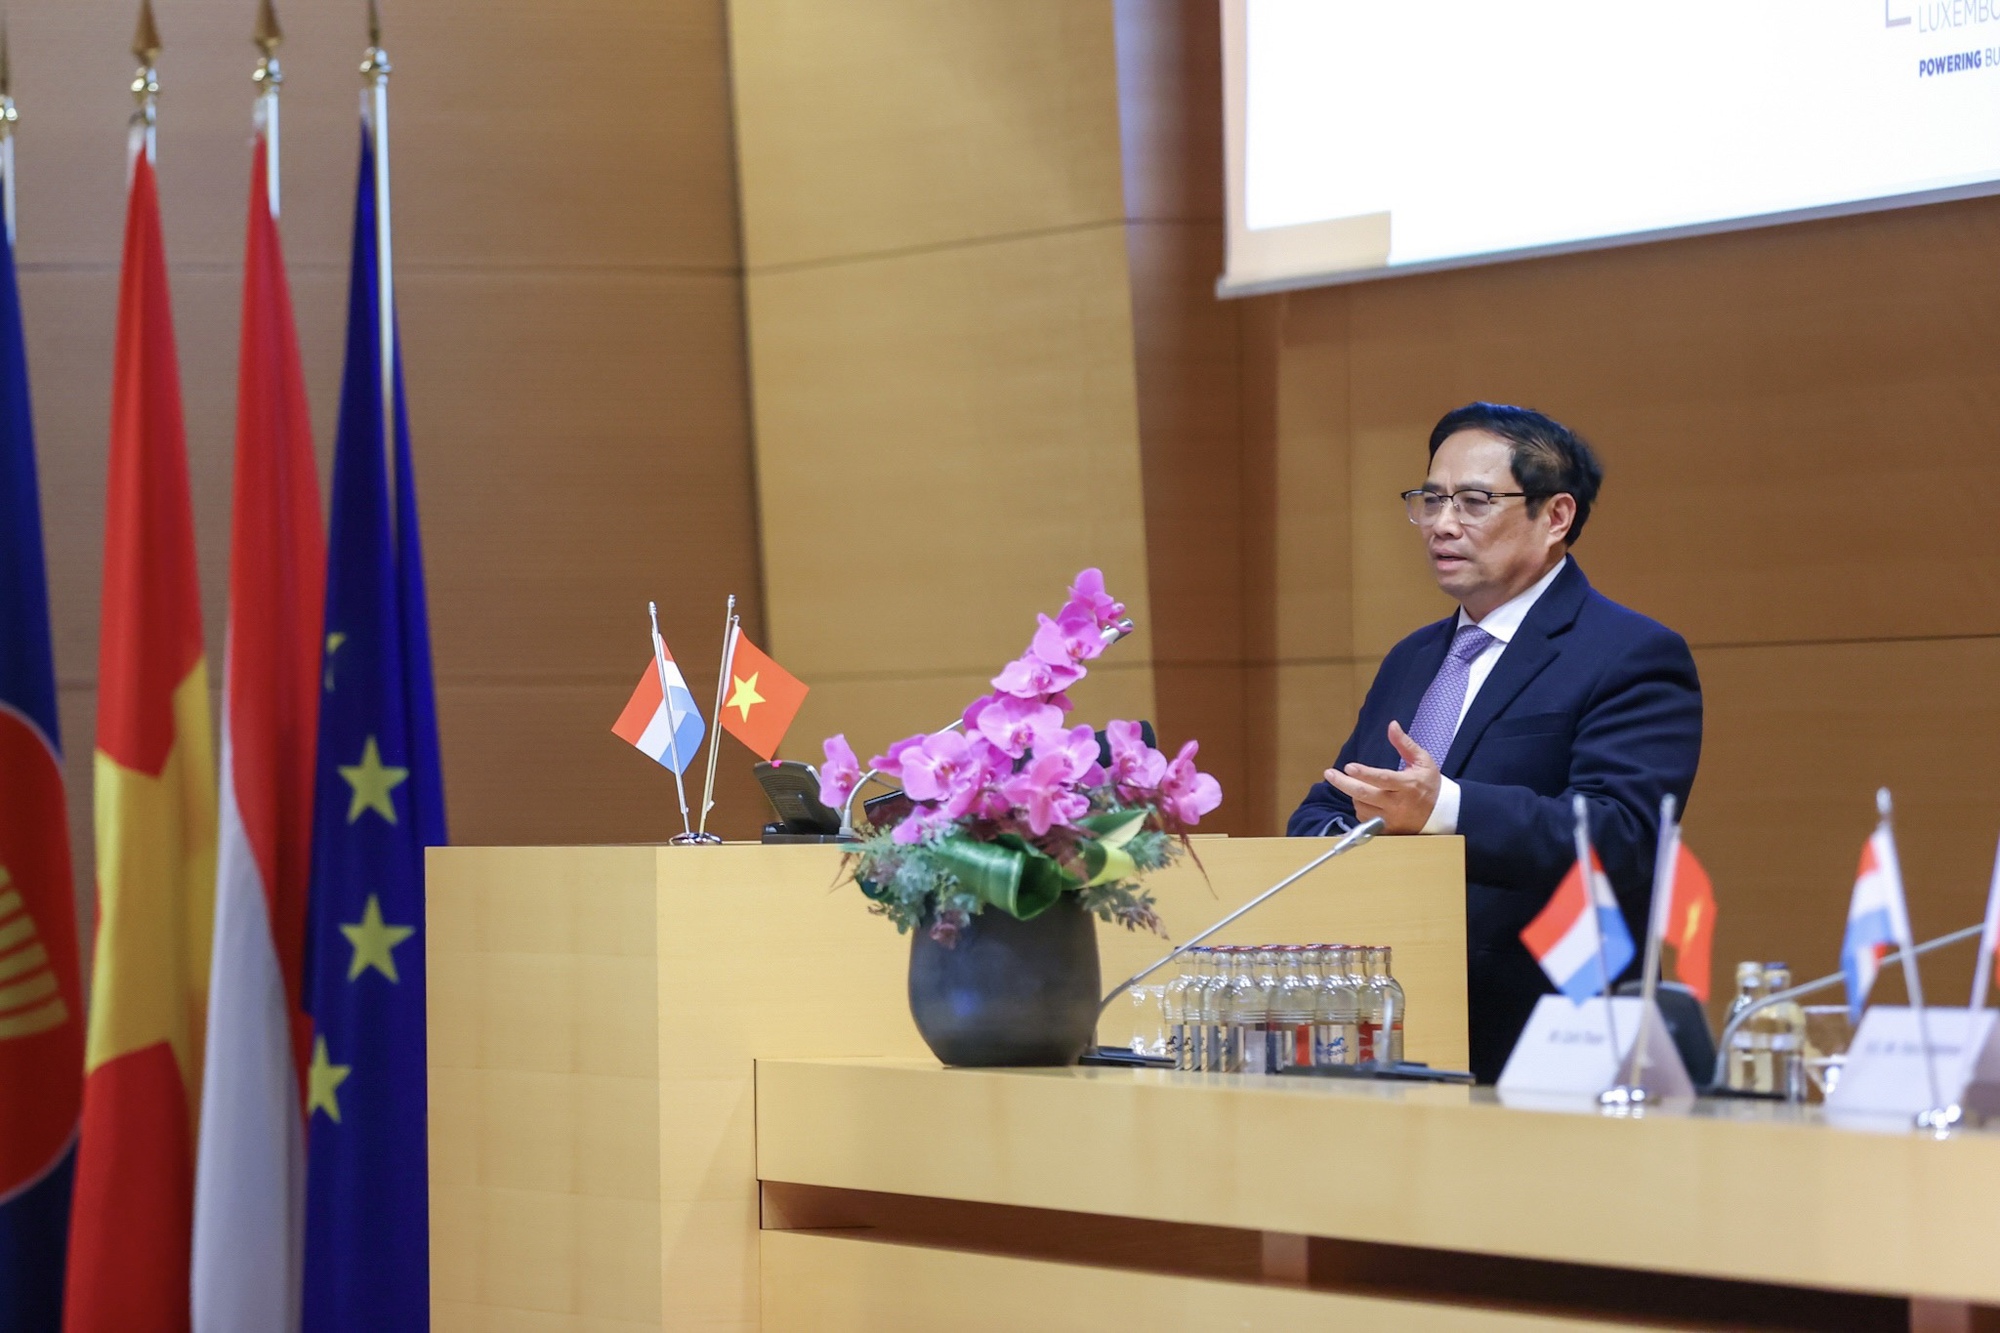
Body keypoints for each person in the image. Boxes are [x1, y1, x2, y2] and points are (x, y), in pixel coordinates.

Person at [1287, 403, 1701, 1082]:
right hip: (1392, 1023)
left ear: (1556, 516)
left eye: (1474, 502)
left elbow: (1621, 835)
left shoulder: (1629, 654)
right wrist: (1348, 833)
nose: (1442, 523)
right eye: (1431, 500)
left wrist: (1443, 809)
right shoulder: (1412, 658)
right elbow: (1326, 807)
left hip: (1545, 1035)